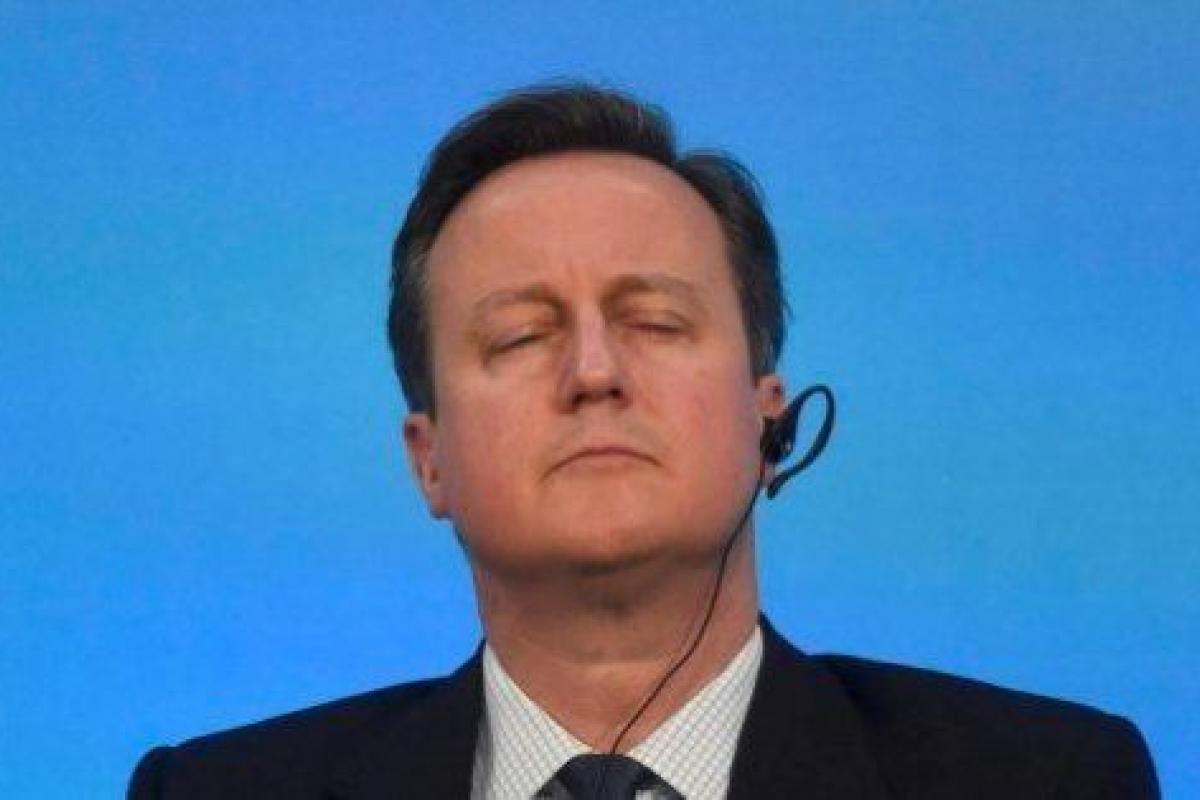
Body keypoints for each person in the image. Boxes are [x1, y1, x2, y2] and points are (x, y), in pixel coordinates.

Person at [128, 83, 1160, 799]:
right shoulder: (213, 791)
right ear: (427, 457)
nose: (594, 371)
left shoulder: (1046, 778)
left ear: (768, 418)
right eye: (520, 335)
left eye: (656, 322)